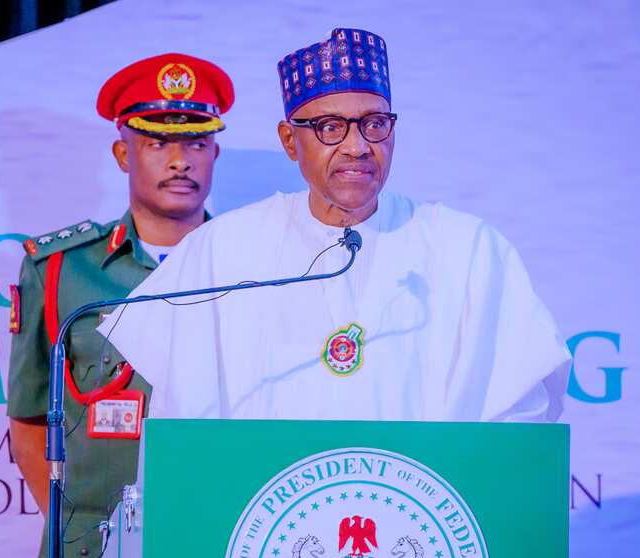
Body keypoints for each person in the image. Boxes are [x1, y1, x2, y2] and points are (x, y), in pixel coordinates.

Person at [99, 28, 570, 422]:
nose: (357, 147)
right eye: (329, 127)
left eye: (375, 124)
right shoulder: (223, 250)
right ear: (289, 140)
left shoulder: (467, 249)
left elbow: (520, 419)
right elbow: (185, 425)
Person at [6, 53, 234, 558]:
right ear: (121, 151)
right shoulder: (60, 271)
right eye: (158, 140)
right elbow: (27, 420)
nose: (179, 159)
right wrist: (88, 537)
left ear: (215, 151)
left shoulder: (262, 266)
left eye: (195, 140)